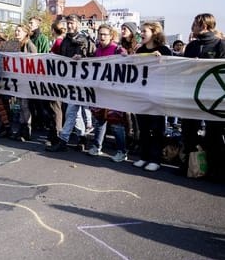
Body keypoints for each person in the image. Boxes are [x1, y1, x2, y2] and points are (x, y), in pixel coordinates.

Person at [181, 13, 225, 181]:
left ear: (204, 25)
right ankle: (190, 166)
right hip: (191, 96)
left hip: (213, 99)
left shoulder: (221, 45)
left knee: (213, 134)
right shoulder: (192, 46)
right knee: (188, 132)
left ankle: (215, 169)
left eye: (195, 23)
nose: (193, 26)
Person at [46, 14, 94, 152]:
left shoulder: (85, 40)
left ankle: (63, 140)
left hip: (82, 81)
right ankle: (82, 138)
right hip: (68, 80)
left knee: (72, 111)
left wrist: (82, 58)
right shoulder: (65, 41)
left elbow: (93, 59)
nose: (69, 25)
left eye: (72, 22)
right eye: (68, 23)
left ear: (78, 24)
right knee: (74, 112)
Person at [85, 24, 129, 162]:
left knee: (116, 124)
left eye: (105, 34)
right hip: (100, 91)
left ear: (111, 36)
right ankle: (97, 146)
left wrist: (125, 58)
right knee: (99, 120)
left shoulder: (118, 50)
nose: (102, 37)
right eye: (100, 34)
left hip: (114, 92)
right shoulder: (97, 50)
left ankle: (122, 151)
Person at [133, 22, 172, 172]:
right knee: (143, 128)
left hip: (158, 95)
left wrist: (162, 61)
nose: (141, 33)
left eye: (144, 31)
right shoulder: (140, 50)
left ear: (154, 33)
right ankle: (144, 157)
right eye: (141, 31)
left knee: (156, 128)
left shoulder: (164, 50)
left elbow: (171, 70)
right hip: (142, 95)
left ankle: (156, 159)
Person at [11, 24, 37, 141]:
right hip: (19, 79)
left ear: (26, 33)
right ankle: (21, 129)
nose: (16, 33)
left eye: (19, 31)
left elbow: (36, 62)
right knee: (20, 105)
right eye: (16, 31)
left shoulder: (30, 45)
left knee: (25, 106)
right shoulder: (17, 45)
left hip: (27, 80)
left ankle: (26, 131)